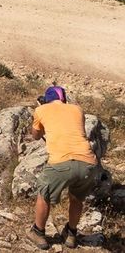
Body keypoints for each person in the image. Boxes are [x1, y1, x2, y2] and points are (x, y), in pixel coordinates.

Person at [27, 85, 102, 250]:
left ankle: (38, 233)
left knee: (44, 193)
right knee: (76, 198)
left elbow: (35, 136)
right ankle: (71, 234)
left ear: (46, 100)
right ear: (63, 99)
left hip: (61, 161)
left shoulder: (41, 110)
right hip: (88, 163)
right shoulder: (77, 110)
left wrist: (41, 111)